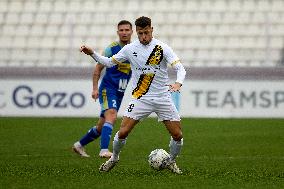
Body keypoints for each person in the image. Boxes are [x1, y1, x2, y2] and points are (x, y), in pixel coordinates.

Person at [80, 16, 186, 174]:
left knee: (177, 135)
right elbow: (108, 63)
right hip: (140, 98)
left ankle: (170, 161)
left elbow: (180, 69)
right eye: (140, 33)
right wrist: (92, 54)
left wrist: (178, 82)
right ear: (136, 32)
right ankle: (114, 158)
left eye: (146, 32)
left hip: (162, 97)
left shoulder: (162, 48)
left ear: (152, 30)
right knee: (122, 132)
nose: (143, 36)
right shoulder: (130, 49)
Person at [73, 20, 133, 158]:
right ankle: (104, 150)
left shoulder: (134, 49)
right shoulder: (111, 49)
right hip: (108, 89)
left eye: (126, 30)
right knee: (111, 115)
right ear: (118, 32)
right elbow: (98, 69)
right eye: (121, 30)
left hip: (120, 92)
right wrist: (95, 89)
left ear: (131, 32)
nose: (124, 32)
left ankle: (79, 145)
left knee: (101, 127)